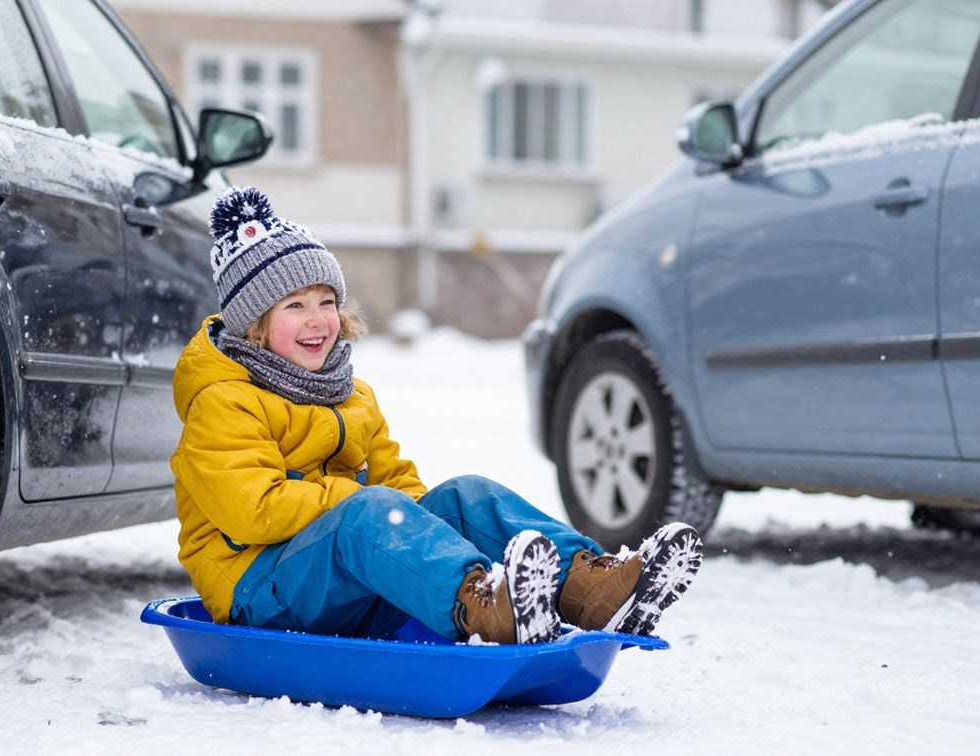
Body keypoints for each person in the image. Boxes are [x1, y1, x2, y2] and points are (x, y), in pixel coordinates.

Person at [170, 186, 703, 645]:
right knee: (371, 513)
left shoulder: (351, 396)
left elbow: (399, 489)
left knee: (464, 497)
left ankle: (592, 589)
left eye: (326, 302)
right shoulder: (224, 401)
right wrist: (362, 506)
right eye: (294, 307)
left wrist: (432, 522)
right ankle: (484, 609)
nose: (319, 321)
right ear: (255, 327)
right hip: (260, 590)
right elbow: (252, 510)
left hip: (350, 580)